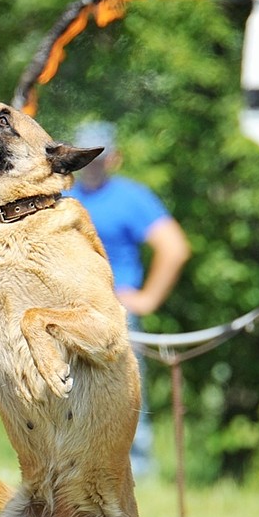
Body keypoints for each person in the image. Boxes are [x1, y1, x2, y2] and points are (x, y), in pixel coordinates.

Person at [69, 121, 190, 479]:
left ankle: (138, 471)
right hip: (68, 308)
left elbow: (175, 247)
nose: (91, 162)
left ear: (115, 158)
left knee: (124, 393)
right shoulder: (62, 196)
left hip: (115, 311)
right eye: (85, 154)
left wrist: (148, 299)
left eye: (99, 155)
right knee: (66, 392)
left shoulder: (132, 197)